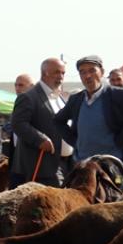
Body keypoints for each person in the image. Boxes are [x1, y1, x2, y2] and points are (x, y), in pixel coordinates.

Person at [53, 55, 123, 178]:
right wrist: (75, 142)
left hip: (114, 165)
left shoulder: (119, 95)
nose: (87, 76)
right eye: (82, 72)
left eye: (92, 70)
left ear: (101, 72)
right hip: (84, 164)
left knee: (117, 190)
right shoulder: (76, 99)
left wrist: (121, 138)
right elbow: (58, 121)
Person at [11, 58, 75, 187]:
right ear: (45, 73)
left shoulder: (59, 97)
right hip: (43, 166)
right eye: (57, 72)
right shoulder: (29, 97)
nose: (61, 76)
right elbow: (18, 123)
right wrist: (40, 139)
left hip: (66, 164)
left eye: (63, 73)